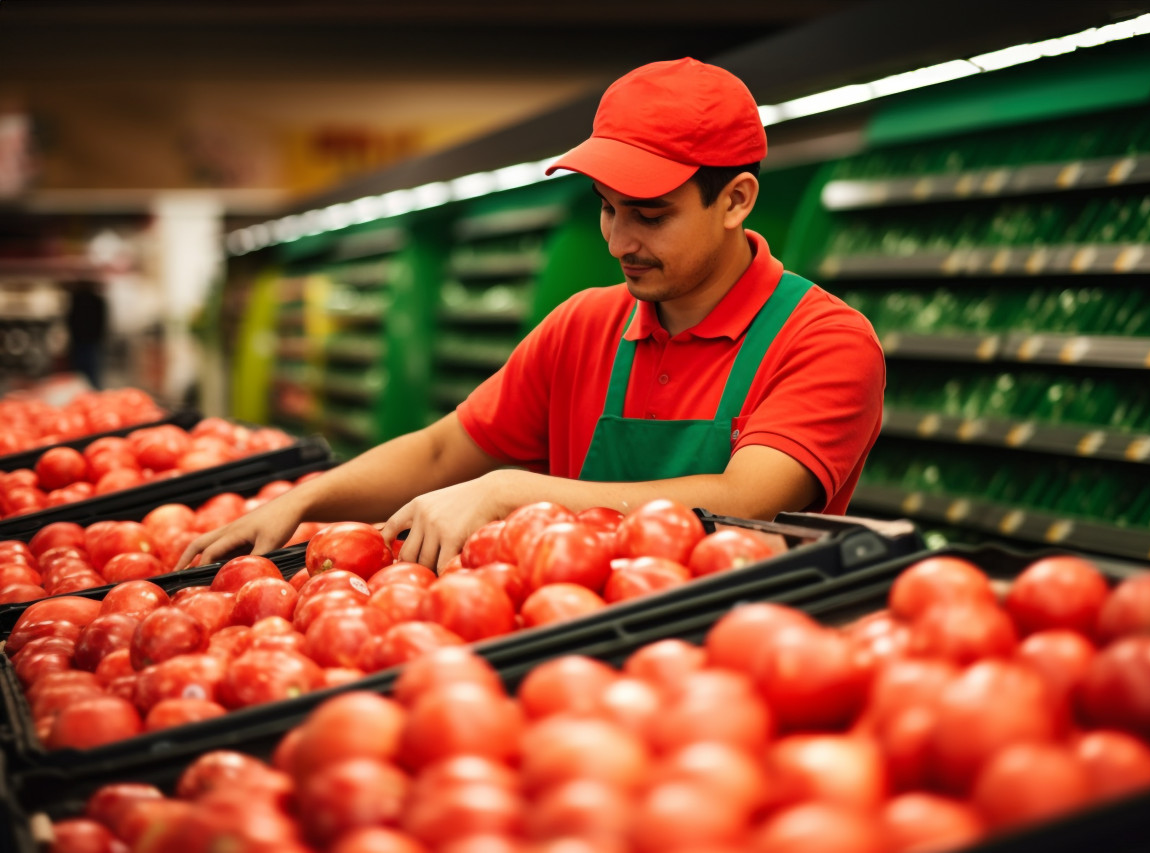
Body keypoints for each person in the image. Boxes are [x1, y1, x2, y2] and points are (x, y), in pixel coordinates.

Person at [184, 57, 885, 570]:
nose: (618, 240)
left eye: (649, 215)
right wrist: (304, 501)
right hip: (580, 622)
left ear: (735, 200)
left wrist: (512, 490)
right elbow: (440, 451)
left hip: (738, 647)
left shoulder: (822, 340)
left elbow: (747, 500)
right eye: (606, 209)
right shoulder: (583, 325)